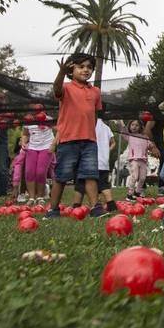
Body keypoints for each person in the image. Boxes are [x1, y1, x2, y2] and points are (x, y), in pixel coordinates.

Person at [44, 55, 101, 217]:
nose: (85, 70)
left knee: (90, 174)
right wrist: (61, 73)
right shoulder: (66, 88)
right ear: (71, 70)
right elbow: (56, 89)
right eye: (80, 67)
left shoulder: (96, 92)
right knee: (61, 175)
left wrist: (90, 132)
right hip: (68, 140)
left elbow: (94, 114)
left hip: (89, 140)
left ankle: (95, 207)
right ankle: (53, 209)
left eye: (89, 67)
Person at [20, 113, 54, 205]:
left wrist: (54, 144)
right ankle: (31, 197)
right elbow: (25, 134)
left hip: (46, 146)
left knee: (40, 172)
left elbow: (58, 129)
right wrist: (23, 142)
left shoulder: (48, 119)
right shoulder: (28, 119)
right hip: (32, 147)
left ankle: (40, 197)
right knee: (29, 172)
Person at [122, 120, 157, 200]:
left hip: (143, 161)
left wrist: (153, 147)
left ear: (141, 127)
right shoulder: (129, 136)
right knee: (134, 176)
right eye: (132, 125)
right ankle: (129, 194)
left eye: (137, 125)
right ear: (129, 127)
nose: (134, 127)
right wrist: (120, 122)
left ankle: (137, 192)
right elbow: (123, 130)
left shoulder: (145, 137)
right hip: (134, 160)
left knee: (142, 178)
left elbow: (150, 145)